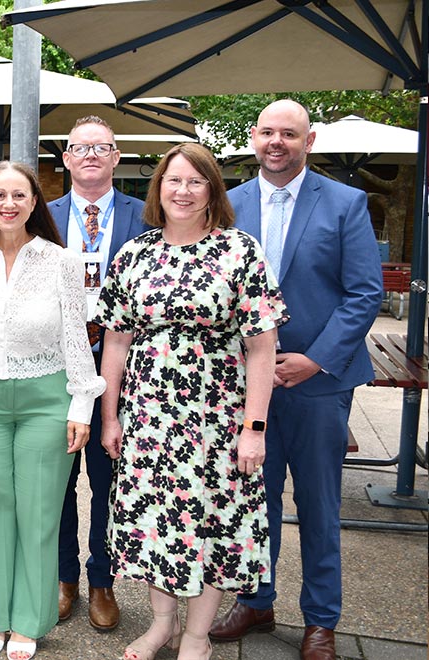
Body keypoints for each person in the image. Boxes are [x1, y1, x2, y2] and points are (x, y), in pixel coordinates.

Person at [95, 143, 287, 660]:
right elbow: (115, 340)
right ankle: (161, 624)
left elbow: (262, 348)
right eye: (173, 181)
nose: (183, 191)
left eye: (195, 182)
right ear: (158, 188)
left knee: (211, 524)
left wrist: (255, 427)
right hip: (148, 422)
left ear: (212, 191)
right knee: (156, 523)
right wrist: (110, 416)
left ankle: (197, 637)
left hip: (216, 420)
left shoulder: (240, 251)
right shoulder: (134, 254)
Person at [209, 100, 383, 660]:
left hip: (318, 381)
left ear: (310, 140)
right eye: (266, 132)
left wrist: (315, 358)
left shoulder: (346, 202)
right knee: (251, 501)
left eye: (289, 133)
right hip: (242, 384)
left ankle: (321, 620)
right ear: (253, 139)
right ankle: (257, 601)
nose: (276, 142)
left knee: (317, 502)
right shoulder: (227, 206)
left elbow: (364, 293)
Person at [0, 161, 105, 660]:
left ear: (35, 202)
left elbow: (77, 337)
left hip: (46, 397)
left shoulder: (62, 261)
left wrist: (82, 405)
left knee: (38, 510)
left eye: (19, 196)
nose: (8, 204)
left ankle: (29, 620)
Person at [48, 116, 147, 633]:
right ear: (65, 159)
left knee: (109, 481)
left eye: (101, 148)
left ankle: (102, 579)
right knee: (60, 481)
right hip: (57, 371)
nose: (90, 155)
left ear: (115, 157)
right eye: (79, 148)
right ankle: (64, 578)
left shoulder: (145, 215)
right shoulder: (41, 216)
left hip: (123, 371)